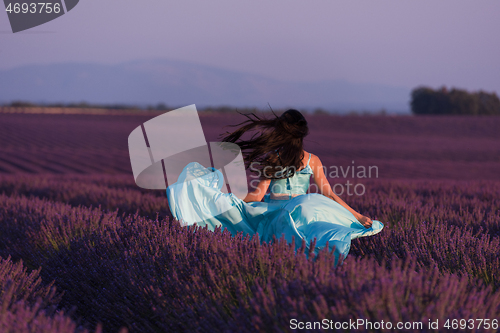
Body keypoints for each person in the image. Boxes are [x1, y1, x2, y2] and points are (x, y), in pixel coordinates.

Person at [166, 109, 383, 265]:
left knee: (273, 247)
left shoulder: (273, 158)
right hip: (305, 207)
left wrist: (235, 202)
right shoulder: (312, 160)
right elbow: (328, 193)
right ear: (303, 134)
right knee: (315, 242)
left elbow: (258, 194)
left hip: (275, 211)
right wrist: (357, 216)